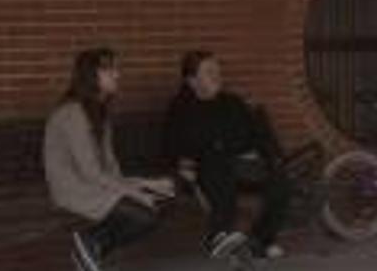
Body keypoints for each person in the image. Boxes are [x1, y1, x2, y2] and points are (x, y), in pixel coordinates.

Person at [43, 48, 178, 271]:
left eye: (116, 68)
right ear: (91, 76)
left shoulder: (99, 114)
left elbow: (111, 172)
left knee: (165, 200)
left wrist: (149, 185)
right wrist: (137, 193)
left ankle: (91, 248)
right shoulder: (73, 113)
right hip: (74, 189)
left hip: (96, 184)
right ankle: (90, 243)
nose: (117, 74)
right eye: (109, 70)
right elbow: (91, 173)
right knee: (144, 215)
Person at [160, 50, 293, 260]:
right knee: (215, 157)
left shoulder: (231, 102)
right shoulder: (181, 108)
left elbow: (252, 135)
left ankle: (261, 241)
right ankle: (219, 233)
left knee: (280, 178)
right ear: (192, 80)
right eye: (209, 71)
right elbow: (179, 146)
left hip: (245, 167)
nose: (217, 75)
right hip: (208, 170)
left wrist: (268, 156)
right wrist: (181, 164)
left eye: (217, 69)